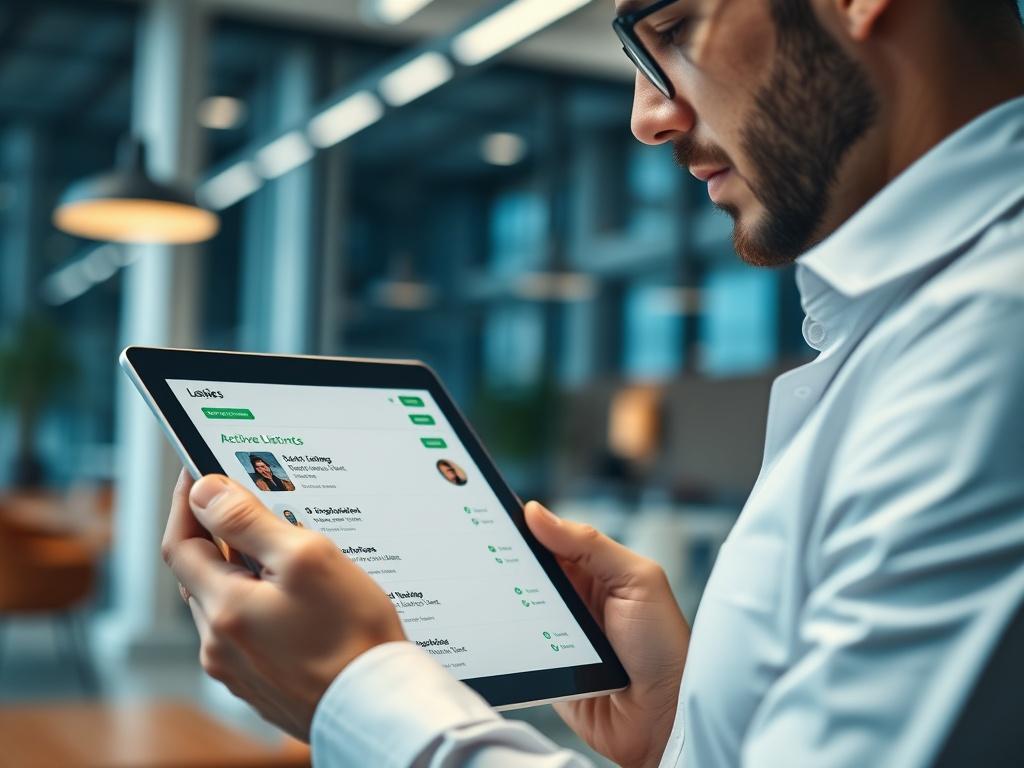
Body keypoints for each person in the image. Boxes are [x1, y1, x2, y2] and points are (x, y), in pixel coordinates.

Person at [161, 1, 1024, 765]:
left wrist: (359, 696)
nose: (649, 115)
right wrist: (683, 734)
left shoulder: (990, 341)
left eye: (675, 29)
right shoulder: (904, 329)